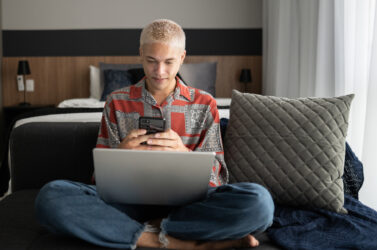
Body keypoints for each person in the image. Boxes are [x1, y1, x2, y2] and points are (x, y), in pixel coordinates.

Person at [35, 19, 274, 249]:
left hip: (189, 206)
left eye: (169, 62)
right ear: (140, 53)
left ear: (182, 58)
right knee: (50, 197)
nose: (159, 71)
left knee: (260, 203)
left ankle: (142, 229)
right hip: (127, 203)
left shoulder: (204, 103)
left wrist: (184, 154)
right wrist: (121, 155)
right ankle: (172, 241)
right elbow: (100, 179)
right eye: (151, 61)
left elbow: (218, 177)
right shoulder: (117, 101)